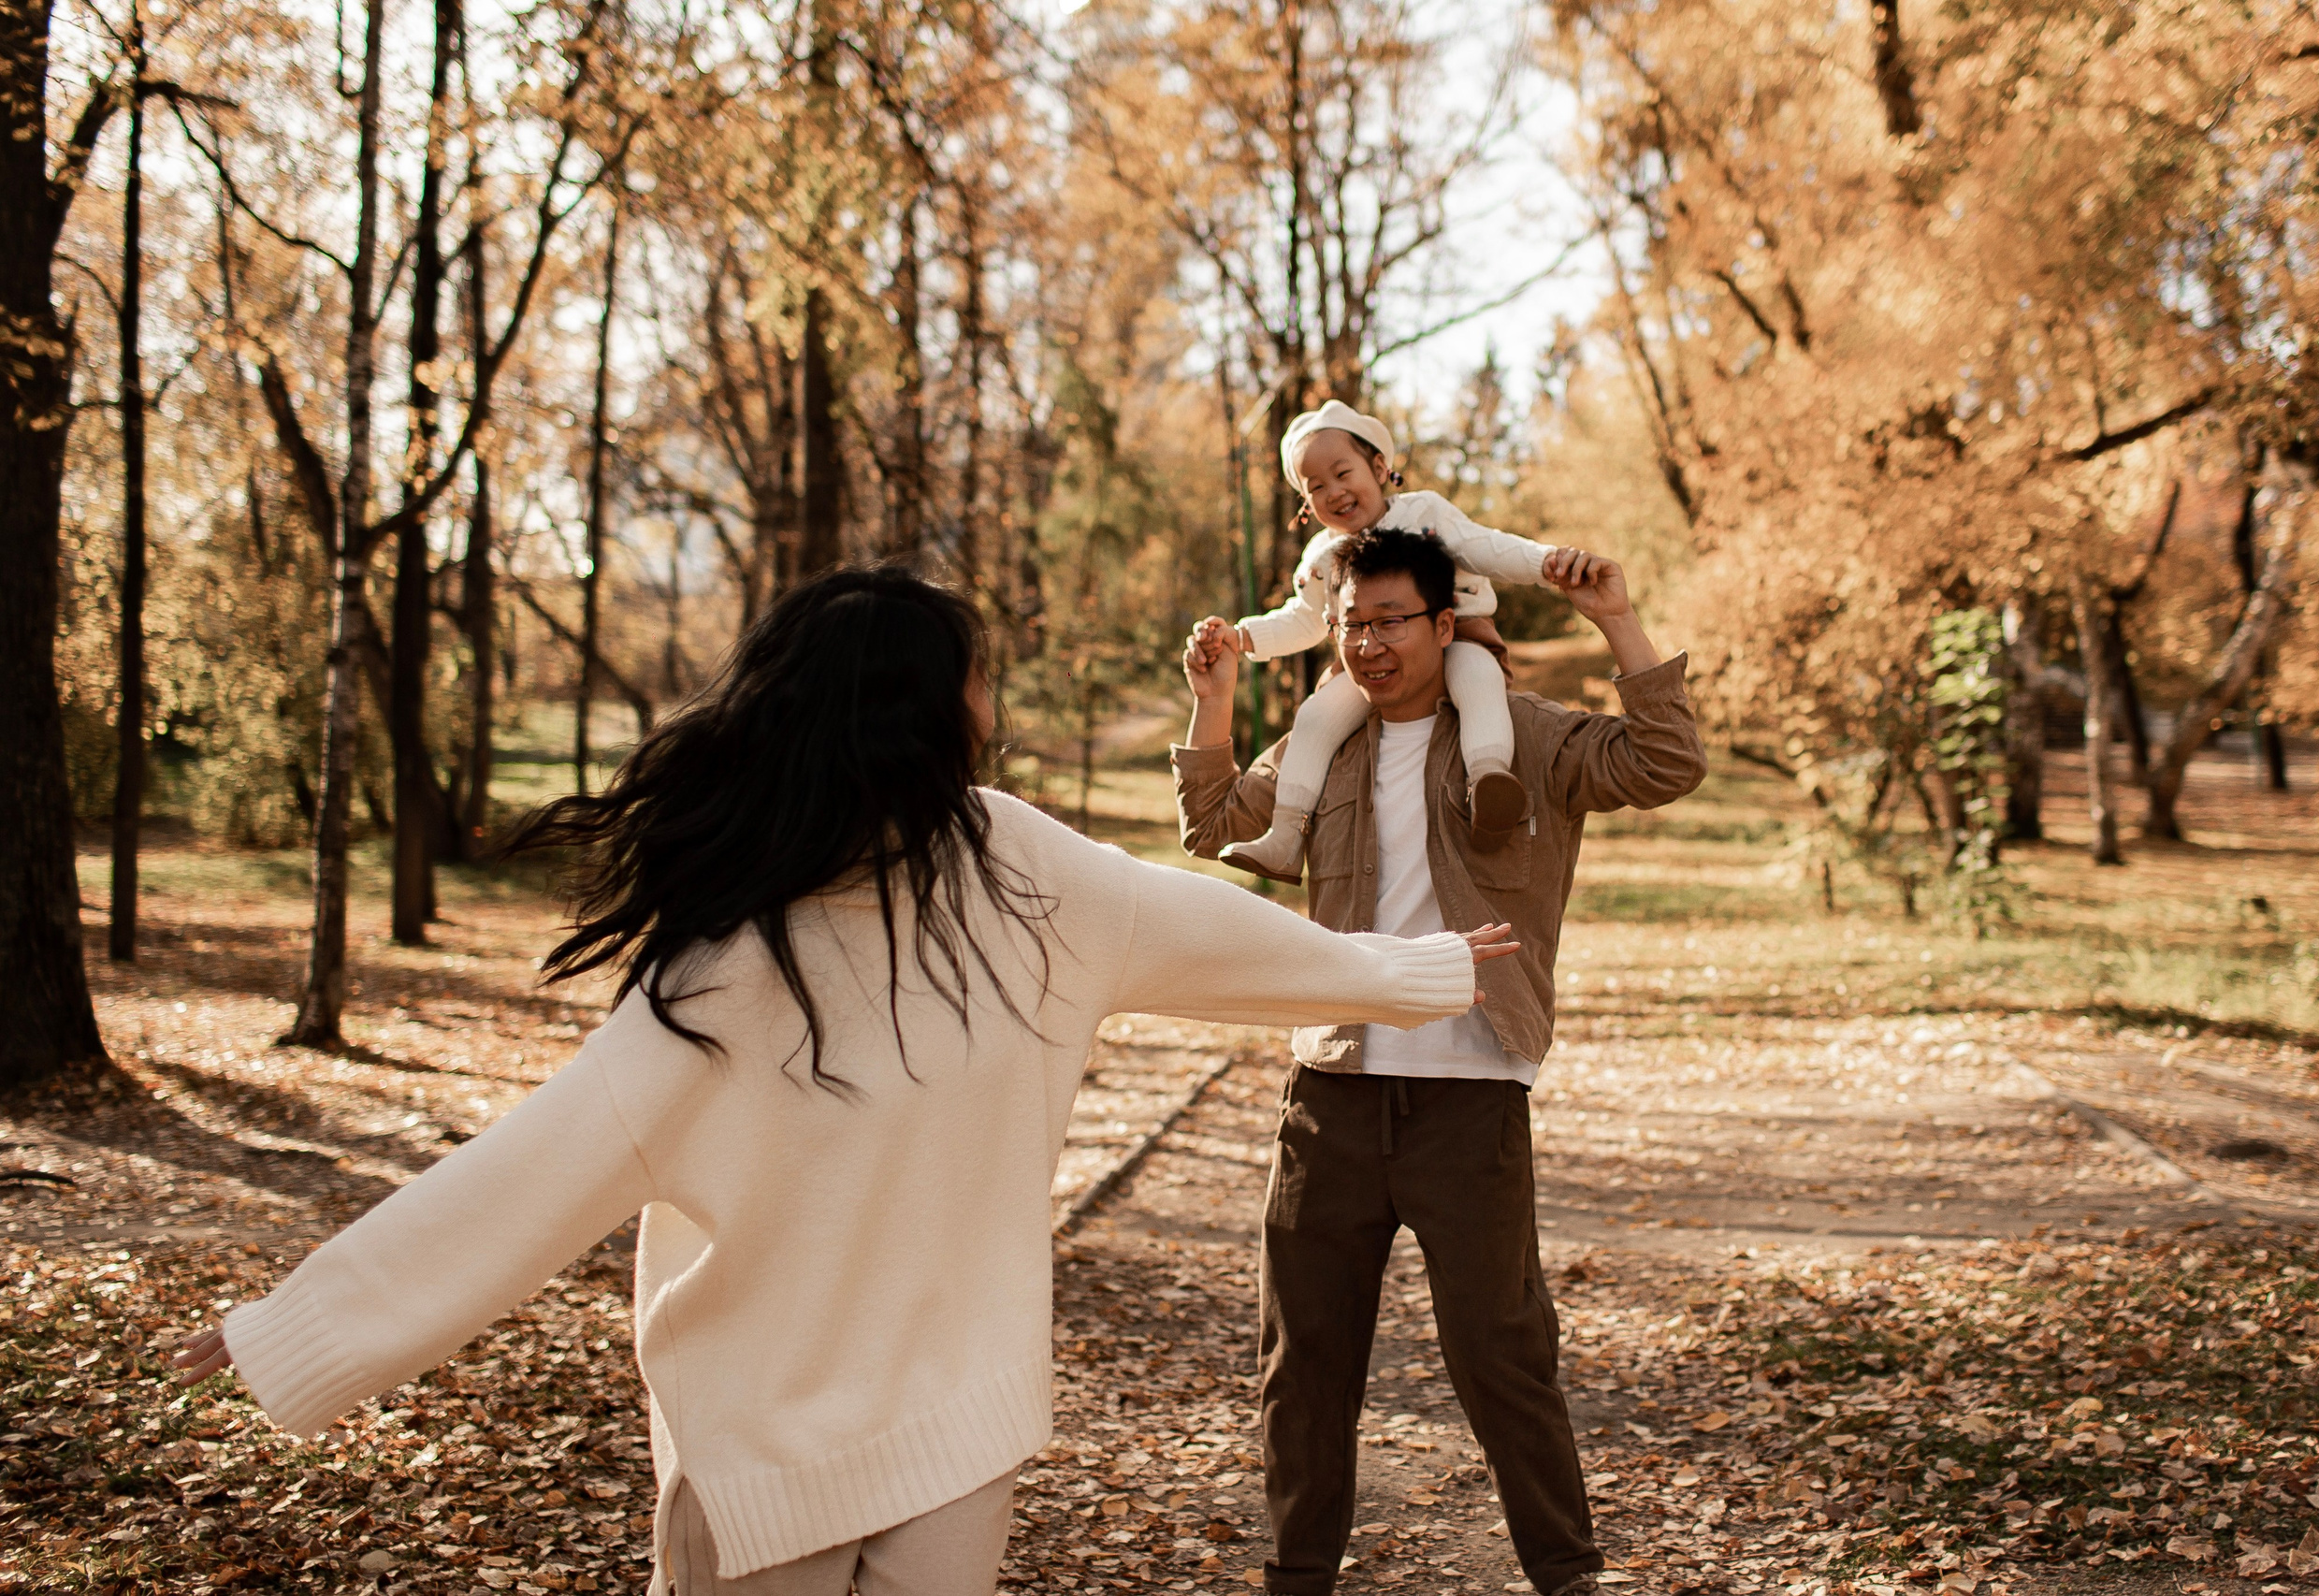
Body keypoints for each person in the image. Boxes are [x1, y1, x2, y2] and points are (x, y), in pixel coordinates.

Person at [169, 567, 1523, 1596]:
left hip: (955, 1426)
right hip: (760, 1458)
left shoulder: (1022, 870)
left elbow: (1211, 931)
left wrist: (1410, 970)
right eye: (978, 678)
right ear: (924, 713)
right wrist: (298, 1331)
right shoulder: (728, 967)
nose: (993, 702)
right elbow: (531, 1175)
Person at [1173, 528, 1707, 1596]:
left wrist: (1616, 618)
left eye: (1390, 621)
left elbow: (1664, 761)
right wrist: (1217, 697)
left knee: (1503, 1358)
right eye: (1350, 624)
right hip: (1330, 1092)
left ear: (1444, 622)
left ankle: (1566, 1574)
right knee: (1305, 1361)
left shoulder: (1523, 737)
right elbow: (1208, 825)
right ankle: (1295, 1575)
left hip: (1472, 1099)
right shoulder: (1321, 749)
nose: (1368, 644)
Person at [1203, 400, 1601, 882]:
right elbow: (1306, 620)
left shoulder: (1423, 514)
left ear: (1379, 467)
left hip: (1460, 636)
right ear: (1307, 505)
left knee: (1478, 682)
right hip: (1370, 659)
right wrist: (1244, 635)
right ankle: (1286, 837)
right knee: (1314, 716)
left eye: (1343, 472)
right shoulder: (1322, 558)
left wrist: (1547, 563)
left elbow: (1486, 547)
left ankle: (1488, 780)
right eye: (1317, 487)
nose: (1335, 492)